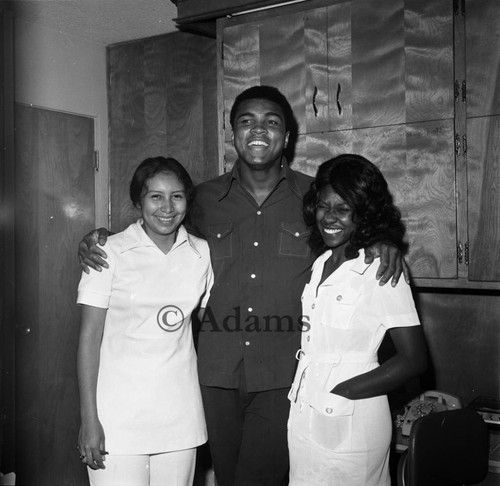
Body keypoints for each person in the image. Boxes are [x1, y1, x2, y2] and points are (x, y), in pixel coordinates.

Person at [78, 86, 408, 486]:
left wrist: (381, 241)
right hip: (214, 375)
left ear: (287, 136)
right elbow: (158, 230)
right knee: (229, 477)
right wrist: (102, 238)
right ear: (232, 132)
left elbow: (350, 227)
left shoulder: (314, 196)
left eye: (272, 122)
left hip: (282, 376)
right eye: (246, 120)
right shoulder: (202, 199)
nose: (258, 130)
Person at [287, 154, 427, 486]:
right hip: (306, 412)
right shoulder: (321, 262)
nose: (329, 217)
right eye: (323, 206)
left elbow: (414, 358)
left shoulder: (381, 266)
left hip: (352, 415)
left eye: (343, 209)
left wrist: (345, 390)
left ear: (363, 213)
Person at [76, 157, 214, 486]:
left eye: (177, 196)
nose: (167, 207)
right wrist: (88, 419)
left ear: (187, 201)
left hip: (180, 416)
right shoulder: (108, 251)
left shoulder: (202, 253)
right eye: (155, 196)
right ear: (138, 201)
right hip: (117, 418)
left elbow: (213, 323)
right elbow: (89, 339)